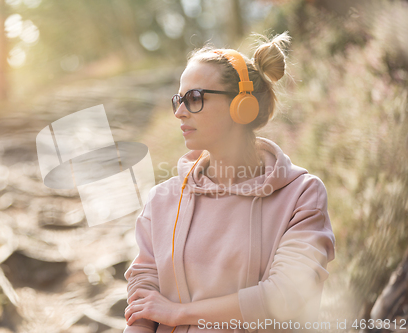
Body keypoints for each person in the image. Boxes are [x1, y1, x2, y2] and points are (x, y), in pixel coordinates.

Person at [123, 31, 336, 333]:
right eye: (178, 100)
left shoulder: (302, 195)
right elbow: (143, 286)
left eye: (194, 98)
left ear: (242, 105)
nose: (180, 112)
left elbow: (286, 296)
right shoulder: (162, 199)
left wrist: (179, 313)